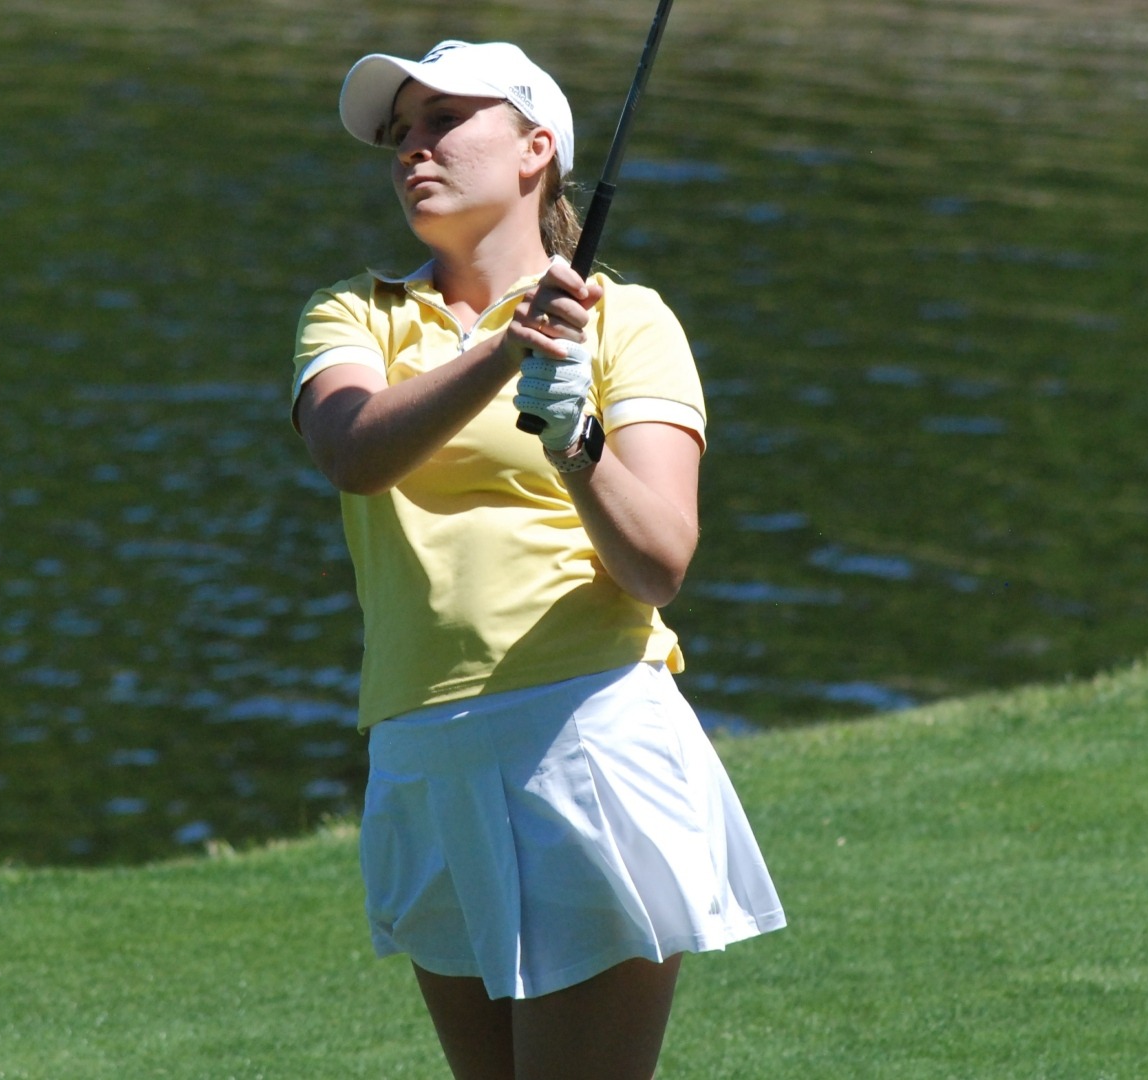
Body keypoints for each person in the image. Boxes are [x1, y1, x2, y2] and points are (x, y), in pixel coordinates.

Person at [290, 39, 785, 1079]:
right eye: (399, 132)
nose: (411, 149)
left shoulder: (628, 321)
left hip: (585, 733)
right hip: (424, 750)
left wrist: (577, 445)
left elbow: (658, 563)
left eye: (442, 121)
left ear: (536, 150)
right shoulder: (354, 312)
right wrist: (505, 351)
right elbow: (352, 449)